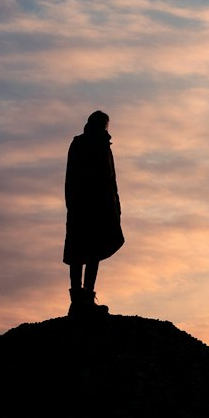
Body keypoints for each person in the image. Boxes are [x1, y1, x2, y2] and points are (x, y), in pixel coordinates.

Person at [64, 109, 124, 316]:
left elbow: (111, 179)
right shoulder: (81, 144)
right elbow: (72, 177)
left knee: (92, 252)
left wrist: (115, 205)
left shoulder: (103, 146)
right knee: (78, 252)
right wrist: (73, 203)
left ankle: (87, 297)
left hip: (100, 207)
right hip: (84, 207)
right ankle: (78, 300)